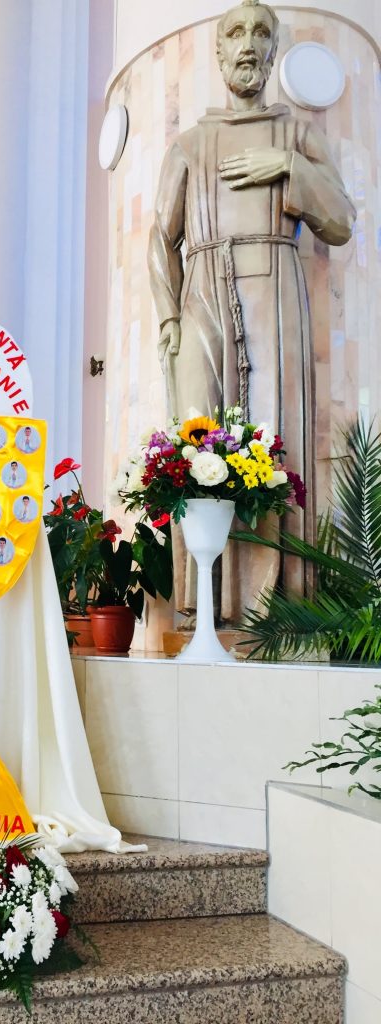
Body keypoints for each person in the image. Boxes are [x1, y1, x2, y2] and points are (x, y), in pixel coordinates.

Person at [148, 0, 356, 622]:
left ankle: (274, 608)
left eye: (260, 32)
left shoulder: (295, 135)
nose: (247, 43)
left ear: (272, 51)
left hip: (275, 296)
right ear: (219, 53)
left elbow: (342, 220)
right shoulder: (190, 144)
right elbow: (161, 236)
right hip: (201, 293)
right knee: (197, 438)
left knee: (272, 437)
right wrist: (169, 318)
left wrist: (289, 167)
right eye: (235, 32)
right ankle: (202, 605)